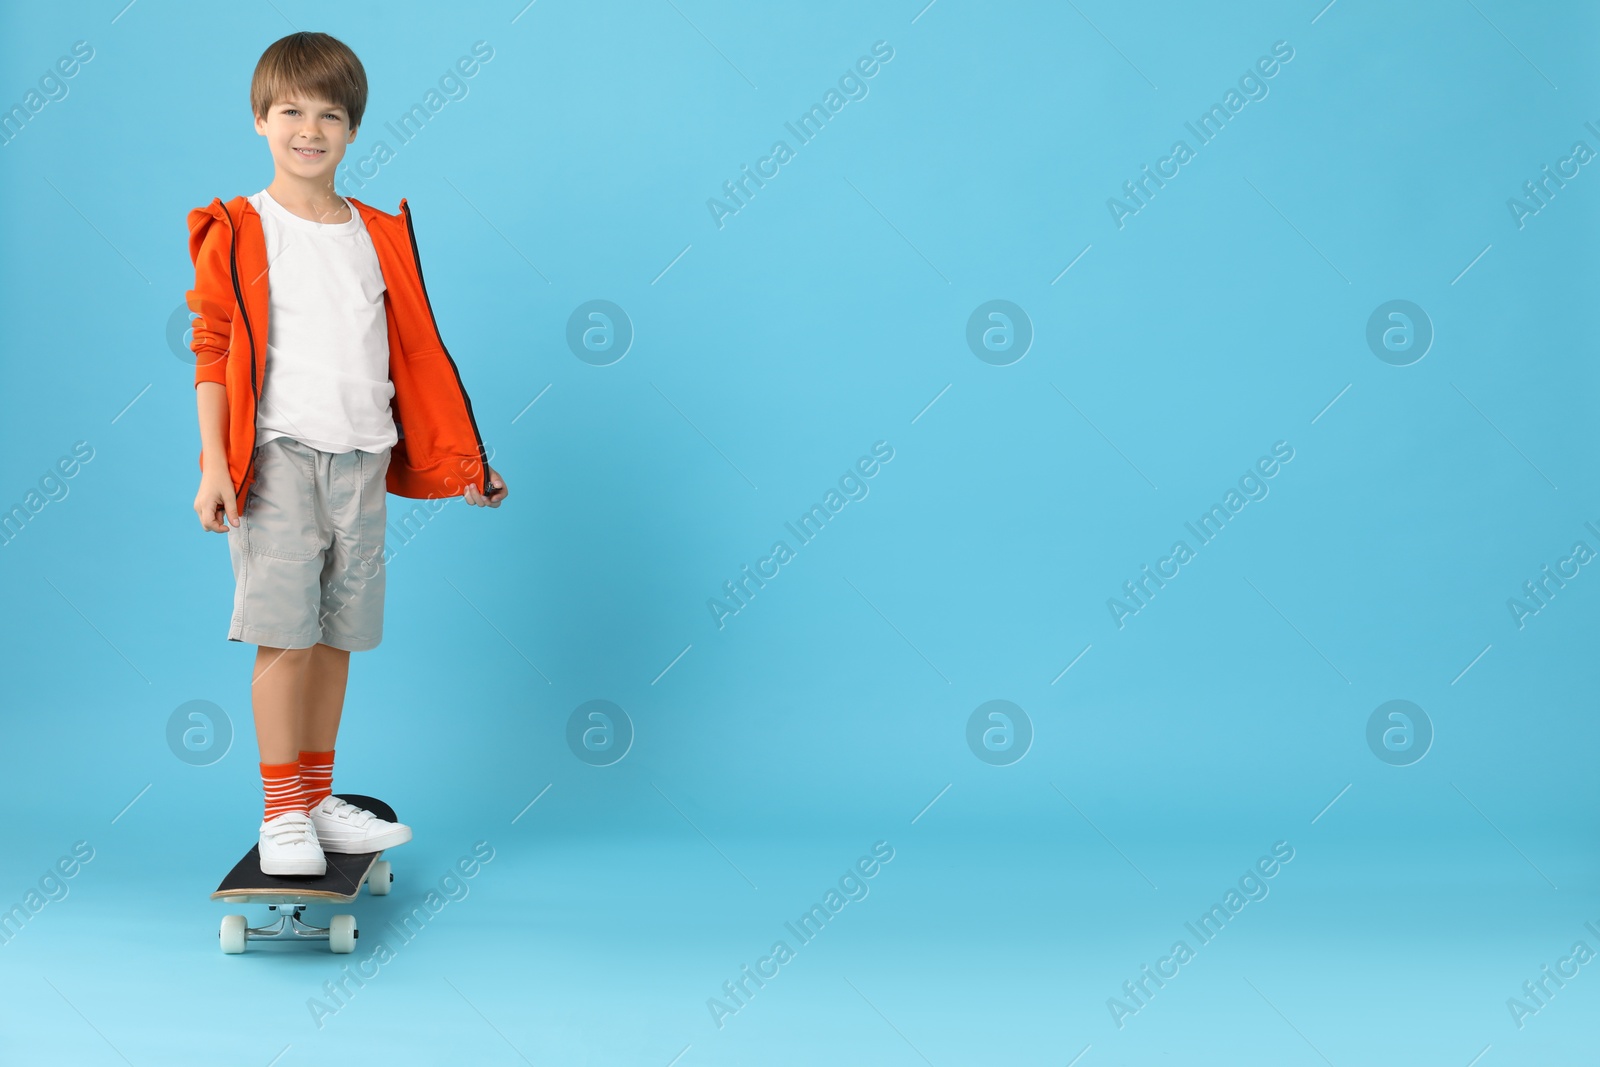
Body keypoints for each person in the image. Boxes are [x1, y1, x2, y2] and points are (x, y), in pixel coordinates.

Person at [186, 31, 508, 876]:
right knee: (284, 636)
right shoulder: (242, 227)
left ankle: (316, 796)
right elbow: (215, 346)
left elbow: (418, 356)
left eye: (330, 114)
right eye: (291, 110)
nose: (310, 128)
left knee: (335, 637)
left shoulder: (375, 232)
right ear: (260, 119)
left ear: (354, 130)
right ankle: (280, 810)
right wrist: (214, 466)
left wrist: (463, 462)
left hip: (362, 459)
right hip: (279, 457)